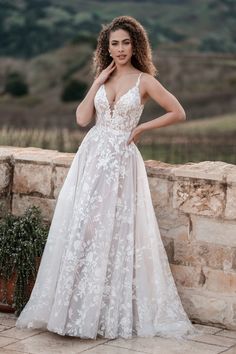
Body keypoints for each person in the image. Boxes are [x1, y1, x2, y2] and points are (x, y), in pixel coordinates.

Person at [15, 15, 203, 340]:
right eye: (114, 43)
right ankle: (71, 312)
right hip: (91, 159)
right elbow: (81, 118)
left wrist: (143, 127)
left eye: (126, 43)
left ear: (135, 45)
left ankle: (102, 315)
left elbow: (178, 111)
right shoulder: (103, 78)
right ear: (107, 47)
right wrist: (96, 81)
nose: (120, 49)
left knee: (112, 233)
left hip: (120, 161)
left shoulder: (144, 81)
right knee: (84, 229)